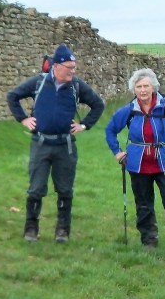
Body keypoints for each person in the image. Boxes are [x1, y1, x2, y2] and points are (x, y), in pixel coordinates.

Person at [6, 43, 105, 243]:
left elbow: (98, 104)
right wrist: (23, 119)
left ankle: (62, 230)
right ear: (57, 66)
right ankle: (31, 228)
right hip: (40, 143)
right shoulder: (39, 83)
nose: (73, 71)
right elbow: (13, 96)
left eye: (74, 67)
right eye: (69, 67)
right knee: (35, 188)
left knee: (65, 189)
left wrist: (84, 125)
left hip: (65, 146)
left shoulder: (76, 86)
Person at [104, 68, 165, 256]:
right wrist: (118, 153)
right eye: (139, 86)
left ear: (154, 87)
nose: (142, 90)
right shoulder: (128, 111)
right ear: (134, 89)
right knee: (143, 204)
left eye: (146, 86)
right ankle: (148, 240)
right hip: (138, 164)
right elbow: (110, 130)